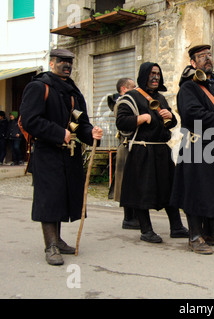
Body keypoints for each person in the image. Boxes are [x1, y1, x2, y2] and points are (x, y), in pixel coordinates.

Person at [19, 48, 103, 266]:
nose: (67, 65)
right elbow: (30, 120)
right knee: (49, 199)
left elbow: (81, 124)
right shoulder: (38, 87)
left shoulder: (73, 92)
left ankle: (58, 239)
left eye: (70, 62)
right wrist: (58, 133)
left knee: (64, 197)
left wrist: (91, 133)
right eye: (62, 62)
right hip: (47, 153)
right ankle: (51, 246)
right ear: (51, 63)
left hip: (70, 154)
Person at [170, 44, 214, 254]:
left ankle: (210, 231)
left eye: (209, 55)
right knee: (196, 192)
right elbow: (191, 114)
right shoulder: (188, 88)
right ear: (193, 63)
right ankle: (194, 236)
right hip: (197, 146)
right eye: (202, 57)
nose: (208, 59)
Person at [115, 62, 189, 244]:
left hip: (162, 149)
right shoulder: (131, 97)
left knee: (170, 188)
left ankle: (176, 227)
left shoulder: (161, 99)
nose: (155, 77)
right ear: (143, 76)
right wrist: (141, 118)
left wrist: (171, 117)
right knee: (143, 191)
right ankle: (146, 230)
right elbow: (121, 122)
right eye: (151, 74)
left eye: (157, 73)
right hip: (142, 149)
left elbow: (171, 123)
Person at [107, 78, 139, 229]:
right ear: (124, 89)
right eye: (133, 86)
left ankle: (134, 216)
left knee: (133, 182)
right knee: (127, 182)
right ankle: (128, 218)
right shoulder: (122, 103)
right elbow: (125, 124)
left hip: (131, 145)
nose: (136, 88)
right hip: (126, 145)